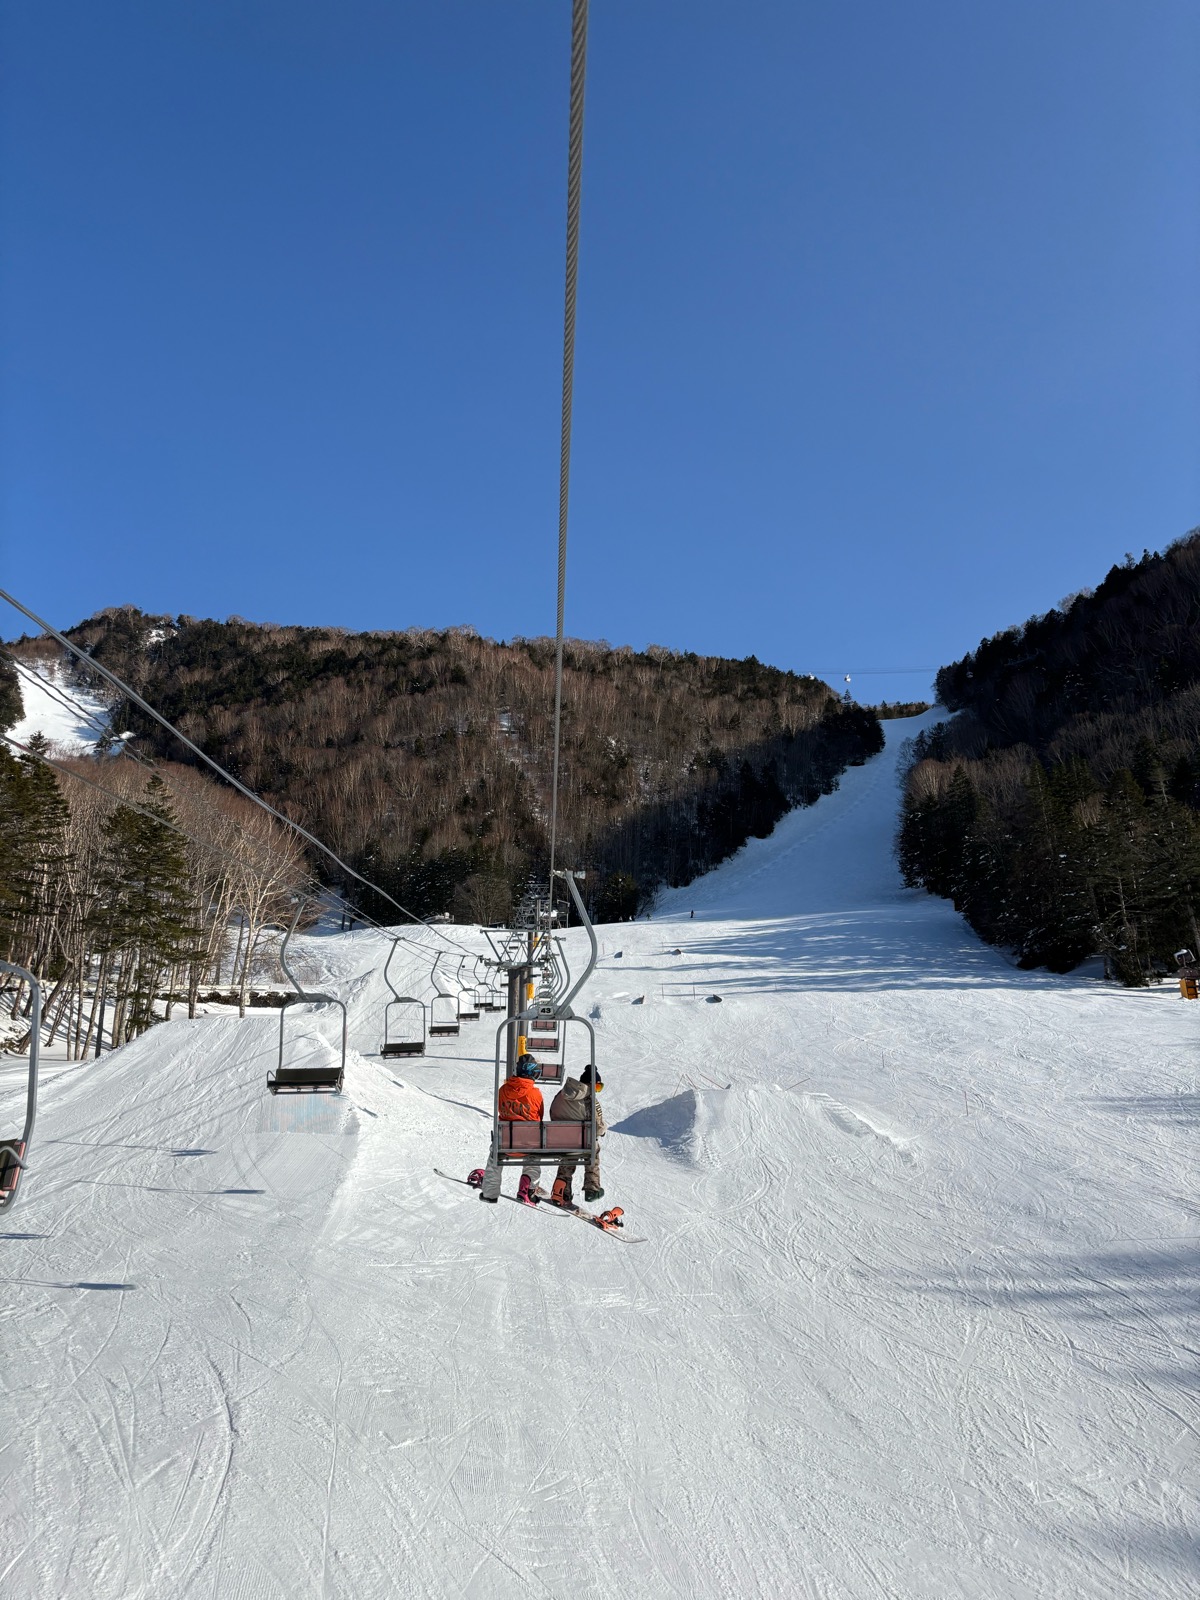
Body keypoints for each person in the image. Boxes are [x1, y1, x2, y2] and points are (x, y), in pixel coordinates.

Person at [481, 1054, 544, 1204]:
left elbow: (499, 1111)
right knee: (533, 1158)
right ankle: (527, 1188)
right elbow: (539, 1116)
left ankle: (490, 1192)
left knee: (494, 1158)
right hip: (529, 1145)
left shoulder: (503, 1090)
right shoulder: (535, 1094)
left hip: (505, 1145)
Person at [549, 1064, 606, 1204]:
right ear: (590, 1084)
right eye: (597, 1087)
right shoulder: (590, 1100)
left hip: (558, 1140)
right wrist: (602, 1130)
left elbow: (552, 1112)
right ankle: (592, 1188)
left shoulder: (562, 1093)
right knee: (594, 1148)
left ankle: (562, 1190)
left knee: (569, 1152)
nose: (596, 1091)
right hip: (581, 1142)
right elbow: (598, 1127)